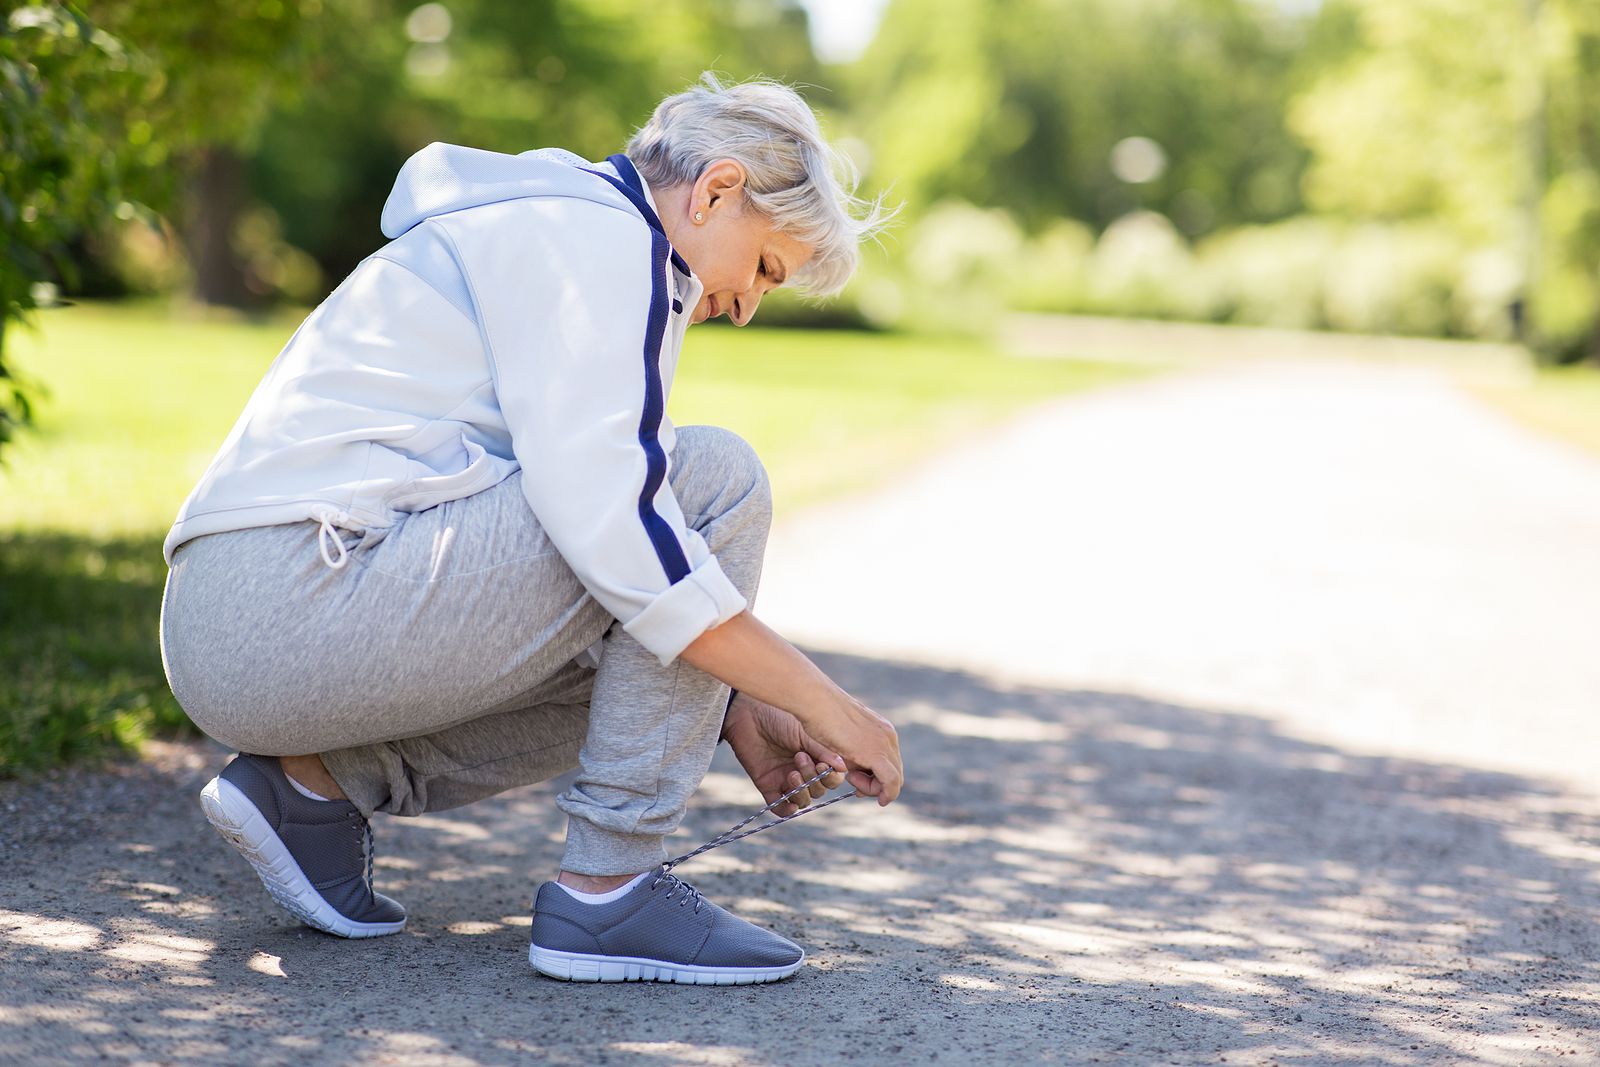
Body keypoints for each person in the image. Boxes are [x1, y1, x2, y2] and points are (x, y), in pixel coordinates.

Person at [157, 73, 903, 986]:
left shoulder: (565, 224)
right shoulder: (604, 240)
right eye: (765, 268)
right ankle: (609, 891)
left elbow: (607, 562)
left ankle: (313, 789)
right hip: (293, 595)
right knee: (714, 481)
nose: (746, 304)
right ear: (715, 190)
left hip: (246, 613)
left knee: (658, 624)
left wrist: (734, 703)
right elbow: (627, 538)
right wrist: (836, 710)